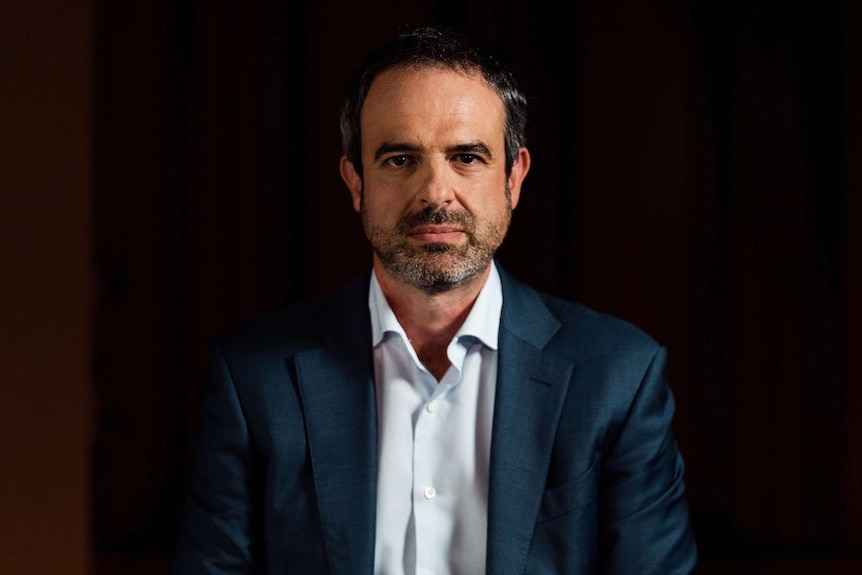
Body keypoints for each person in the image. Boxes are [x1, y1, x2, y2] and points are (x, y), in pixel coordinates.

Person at [169, 25, 698, 574]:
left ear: (514, 177)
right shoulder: (252, 377)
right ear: (355, 182)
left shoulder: (620, 377)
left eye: (467, 157)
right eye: (400, 159)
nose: (435, 192)